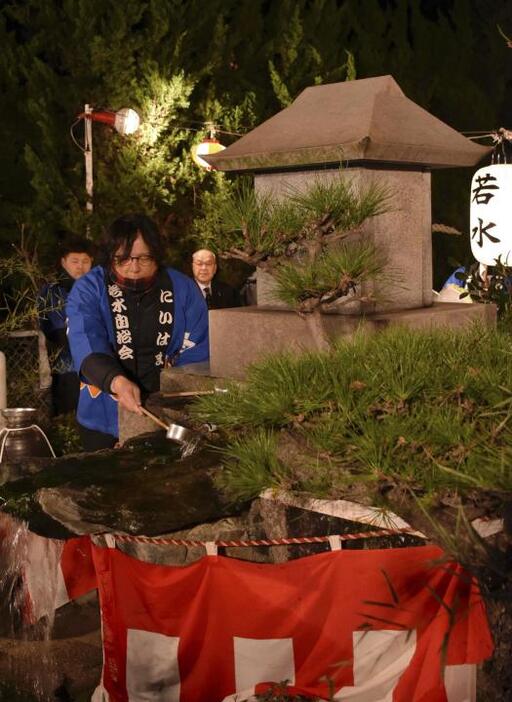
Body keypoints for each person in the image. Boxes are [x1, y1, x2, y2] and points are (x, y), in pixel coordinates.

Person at [66, 214, 209, 451]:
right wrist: (115, 380)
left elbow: (200, 347)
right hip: (102, 412)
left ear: (157, 254)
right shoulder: (89, 288)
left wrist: (171, 392)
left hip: (163, 411)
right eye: (123, 258)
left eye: (144, 258)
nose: (134, 267)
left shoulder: (182, 288)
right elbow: (85, 341)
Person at [38, 237, 94, 415]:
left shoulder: (97, 290)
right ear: (63, 262)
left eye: (85, 261)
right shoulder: (52, 292)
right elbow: (57, 333)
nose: (80, 266)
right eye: (75, 261)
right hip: (66, 370)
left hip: (98, 368)